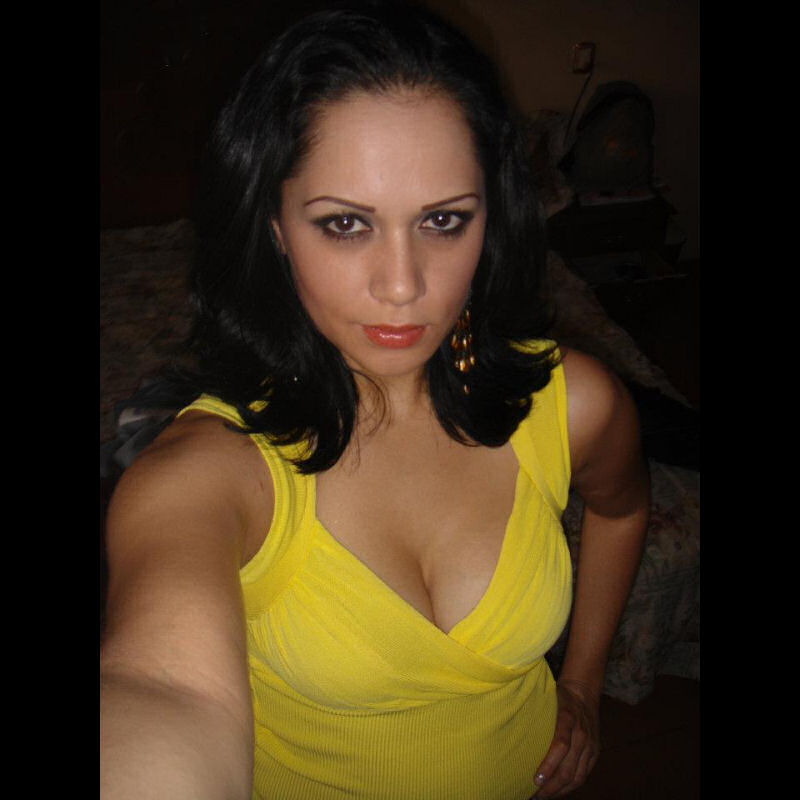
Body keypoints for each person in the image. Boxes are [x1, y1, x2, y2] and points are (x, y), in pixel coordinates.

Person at [100, 2, 650, 798]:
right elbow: (162, 688)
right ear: (275, 228)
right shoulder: (209, 471)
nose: (402, 286)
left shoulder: (572, 403)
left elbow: (623, 510)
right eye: (346, 225)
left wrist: (584, 686)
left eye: (443, 220)